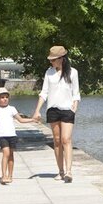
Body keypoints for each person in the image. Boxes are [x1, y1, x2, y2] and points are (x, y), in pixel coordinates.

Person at [32, 45, 80, 183]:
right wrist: (37, 110)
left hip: (67, 109)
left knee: (66, 139)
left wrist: (74, 107)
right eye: (50, 60)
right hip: (53, 109)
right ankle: (61, 171)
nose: (51, 62)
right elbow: (44, 92)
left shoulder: (73, 72)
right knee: (57, 141)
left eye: (53, 59)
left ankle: (69, 171)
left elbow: (76, 93)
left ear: (62, 58)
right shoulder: (49, 73)